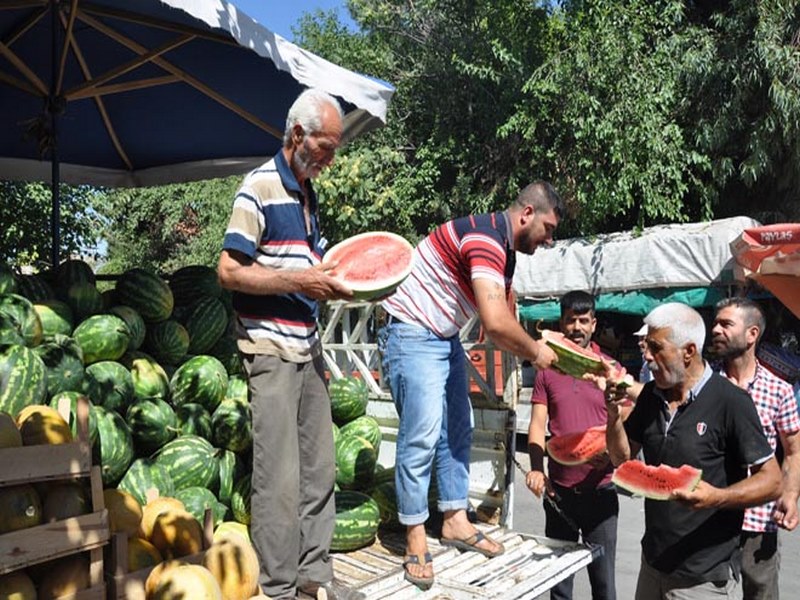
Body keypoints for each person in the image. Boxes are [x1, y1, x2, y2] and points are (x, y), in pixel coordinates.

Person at [379, 181, 564, 589]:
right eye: (549, 229)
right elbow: (496, 325)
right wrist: (535, 352)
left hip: (442, 338)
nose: (550, 240)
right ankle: (414, 536)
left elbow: (504, 310)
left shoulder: (505, 252)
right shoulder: (485, 238)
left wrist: (545, 339)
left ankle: (454, 519)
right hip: (411, 332)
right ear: (527, 214)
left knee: (458, 429)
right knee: (422, 436)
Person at [218, 89, 361, 600]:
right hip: (270, 352)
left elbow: (311, 268)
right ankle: (278, 588)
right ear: (297, 135)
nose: (330, 159)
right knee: (278, 480)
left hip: (308, 349)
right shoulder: (257, 187)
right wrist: (300, 282)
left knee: (319, 471)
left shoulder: (307, 195)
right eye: (325, 147)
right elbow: (230, 271)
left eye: (334, 150)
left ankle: (313, 577)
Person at [604, 302, 782, 599]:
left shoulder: (732, 402)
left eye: (656, 348)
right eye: (646, 347)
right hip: (652, 565)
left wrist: (718, 497)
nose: (646, 357)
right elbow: (621, 460)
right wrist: (612, 416)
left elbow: (773, 480)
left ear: (688, 352)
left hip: (702, 578)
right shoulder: (650, 396)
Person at [526, 290, 620, 600]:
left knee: (604, 584)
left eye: (583, 321)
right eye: (570, 321)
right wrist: (537, 469)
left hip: (601, 493)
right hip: (559, 494)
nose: (576, 328)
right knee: (560, 585)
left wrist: (607, 451)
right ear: (561, 324)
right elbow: (538, 424)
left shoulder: (610, 369)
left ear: (594, 324)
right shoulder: (546, 372)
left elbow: (623, 424)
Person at [710, 297, 800, 599]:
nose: (715, 330)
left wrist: (790, 493)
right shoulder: (702, 384)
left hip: (759, 519)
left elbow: (794, 450)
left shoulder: (779, 390)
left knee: (761, 594)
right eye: (715, 323)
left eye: (726, 324)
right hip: (707, 515)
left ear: (752, 334)